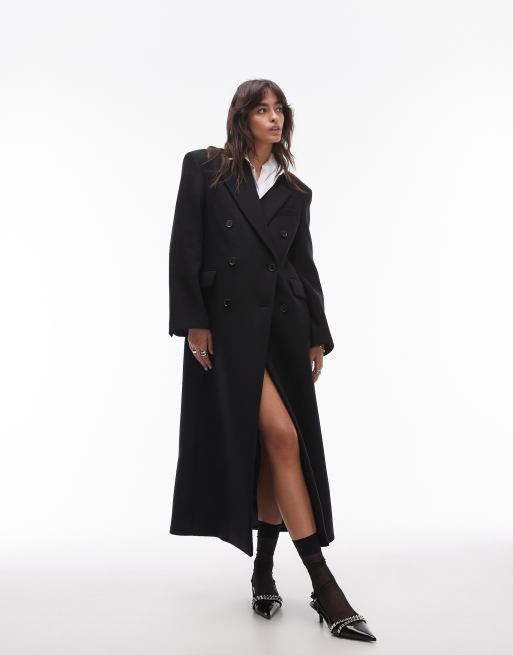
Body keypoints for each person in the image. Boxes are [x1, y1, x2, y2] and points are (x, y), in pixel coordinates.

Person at [168, 79, 377, 642]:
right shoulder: (206, 168)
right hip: (226, 331)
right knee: (281, 437)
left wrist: (316, 334)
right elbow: (185, 246)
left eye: (280, 109)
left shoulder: (294, 191)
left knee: (276, 446)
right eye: (262, 109)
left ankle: (264, 569)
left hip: (282, 331)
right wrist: (193, 320)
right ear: (242, 116)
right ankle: (324, 585)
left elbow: (302, 267)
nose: (274, 117)